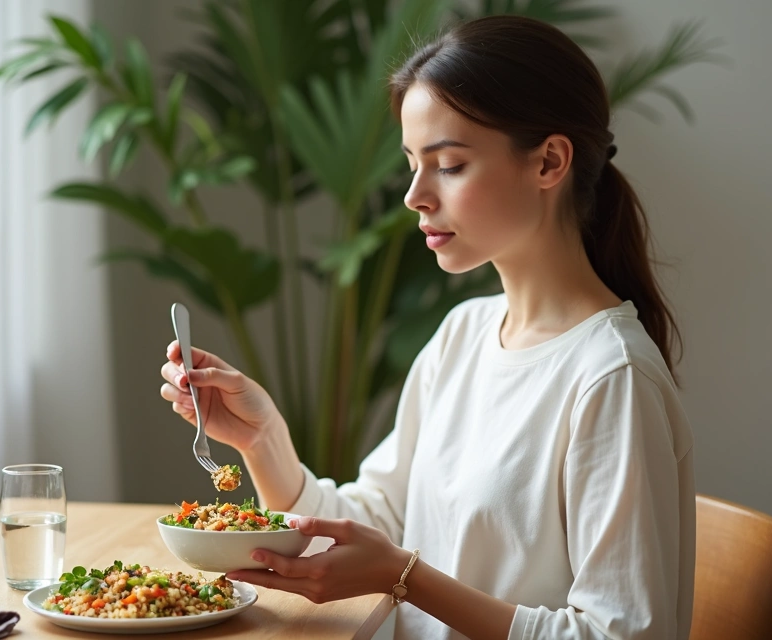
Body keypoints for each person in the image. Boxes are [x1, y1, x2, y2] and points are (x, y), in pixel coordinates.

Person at [159, 14, 694, 640]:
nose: (415, 195)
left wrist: (407, 578)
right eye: (413, 162)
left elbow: (621, 634)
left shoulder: (611, 377)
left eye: (448, 164)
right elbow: (377, 524)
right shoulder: (463, 335)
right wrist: (262, 439)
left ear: (549, 161)